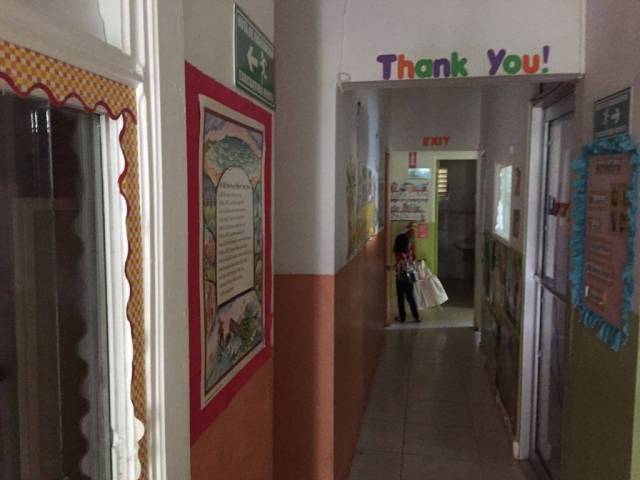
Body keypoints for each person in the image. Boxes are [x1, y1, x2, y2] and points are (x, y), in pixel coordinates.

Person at [393, 229, 420, 323]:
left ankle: (402, 317)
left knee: (400, 298)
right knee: (410, 297)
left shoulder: (398, 253)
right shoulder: (410, 250)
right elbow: (413, 260)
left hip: (401, 278)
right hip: (410, 277)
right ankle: (416, 316)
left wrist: (390, 268)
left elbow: (398, 265)